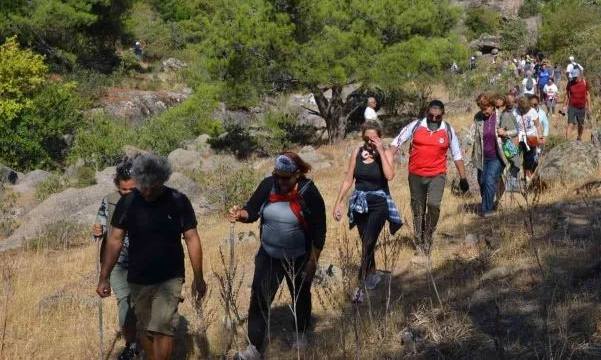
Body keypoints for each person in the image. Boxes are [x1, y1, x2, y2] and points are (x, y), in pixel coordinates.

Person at [96, 154, 206, 360]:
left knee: (163, 327)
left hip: (170, 276)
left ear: (162, 181)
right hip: (138, 277)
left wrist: (199, 277)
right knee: (146, 328)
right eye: (142, 186)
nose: (146, 191)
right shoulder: (128, 203)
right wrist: (104, 276)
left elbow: (192, 239)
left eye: (152, 187)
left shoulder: (178, 201)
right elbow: (115, 240)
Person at [229, 153, 327, 357]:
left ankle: (300, 335)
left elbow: (319, 233)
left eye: (286, 177)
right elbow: (251, 211)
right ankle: (253, 349)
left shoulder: (309, 192)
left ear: (297, 174)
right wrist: (240, 215)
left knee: (300, 296)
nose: (281, 181)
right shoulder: (268, 185)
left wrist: (312, 262)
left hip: (298, 256)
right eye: (278, 176)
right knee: (259, 299)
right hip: (268, 255)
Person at [332, 123, 402, 302]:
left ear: (379, 138)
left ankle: (358, 286)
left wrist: (380, 150)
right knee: (366, 242)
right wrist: (338, 203)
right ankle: (372, 274)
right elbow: (349, 180)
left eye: (374, 138)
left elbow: (389, 176)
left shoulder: (385, 154)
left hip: (379, 204)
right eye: (366, 138)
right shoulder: (357, 153)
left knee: (369, 241)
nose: (370, 142)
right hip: (359, 203)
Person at [390, 100, 468, 260]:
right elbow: (396, 141)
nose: (433, 119)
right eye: (431, 115)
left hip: (437, 175)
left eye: (437, 116)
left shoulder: (447, 130)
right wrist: (387, 160)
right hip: (415, 174)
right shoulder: (416, 125)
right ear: (427, 112)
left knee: (433, 205)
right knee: (417, 209)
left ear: (442, 114)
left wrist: (463, 177)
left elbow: (457, 155)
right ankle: (419, 242)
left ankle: (428, 236)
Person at [92, 158, 139, 360]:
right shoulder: (109, 200)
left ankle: (146, 343)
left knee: (142, 305)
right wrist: (97, 231)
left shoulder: (148, 199)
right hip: (117, 261)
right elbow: (99, 226)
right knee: (124, 303)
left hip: (143, 260)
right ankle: (131, 346)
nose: (127, 193)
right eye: (123, 189)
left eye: (131, 189)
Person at [468, 94, 513, 217]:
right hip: (482, 157)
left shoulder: (502, 116)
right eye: (481, 109)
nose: (483, 111)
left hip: (497, 157)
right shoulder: (478, 117)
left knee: (489, 180)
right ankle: (489, 204)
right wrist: (466, 148)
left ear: (492, 106)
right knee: (481, 181)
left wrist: (505, 132)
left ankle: (487, 210)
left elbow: (515, 131)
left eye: (486, 108)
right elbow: (472, 135)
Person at [517, 96, 544, 186]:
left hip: (530, 137)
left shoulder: (532, 111)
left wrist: (540, 137)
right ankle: (516, 178)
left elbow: (538, 125)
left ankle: (528, 176)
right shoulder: (515, 111)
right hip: (518, 137)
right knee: (515, 157)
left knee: (529, 157)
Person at [563, 68, 591, 141]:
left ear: (580, 75)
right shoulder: (570, 83)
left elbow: (588, 94)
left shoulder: (585, 82)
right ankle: (567, 141)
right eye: (573, 76)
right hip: (572, 106)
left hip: (581, 107)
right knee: (570, 123)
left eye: (576, 76)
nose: (575, 78)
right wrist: (564, 105)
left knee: (581, 125)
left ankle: (579, 138)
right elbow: (567, 94)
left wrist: (589, 106)